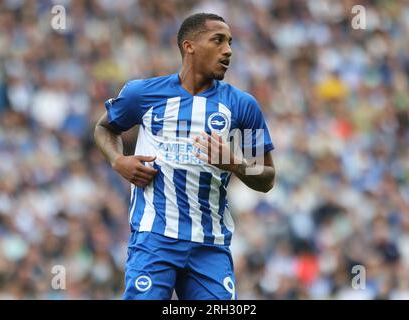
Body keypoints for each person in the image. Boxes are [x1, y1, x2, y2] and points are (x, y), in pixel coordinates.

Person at [94, 12, 275, 300]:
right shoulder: (141, 94)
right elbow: (104, 128)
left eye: (230, 42)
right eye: (218, 40)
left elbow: (266, 178)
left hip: (210, 246)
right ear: (189, 46)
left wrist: (236, 164)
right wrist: (118, 160)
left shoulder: (242, 106)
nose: (228, 50)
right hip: (154, 239)